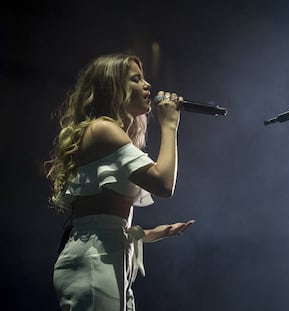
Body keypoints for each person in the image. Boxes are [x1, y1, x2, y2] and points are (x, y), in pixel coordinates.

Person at [45, 53, 195, 310]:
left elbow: (99, 213)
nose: (147, 85)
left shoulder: (107, 133)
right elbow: (163, 185)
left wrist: (145, 235)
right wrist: (170, 125)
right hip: (95, 258)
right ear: (112, 89)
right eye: (136, 79)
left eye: (144, 78)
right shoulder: (102, 129)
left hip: (106, 255)